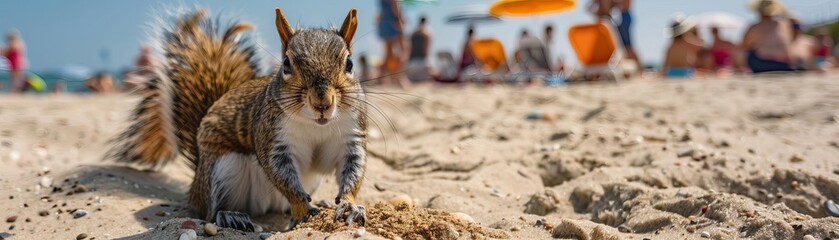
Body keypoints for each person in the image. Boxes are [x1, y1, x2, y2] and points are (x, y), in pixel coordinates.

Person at [741, 0, 794, 73]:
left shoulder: (755, 27)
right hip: (785, 64)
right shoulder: (784, 24)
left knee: (747, 51)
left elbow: (744, 45)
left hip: (762, 64)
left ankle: (745, 70)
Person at [377, 0, 410, 88]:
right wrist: (399, 19)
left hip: (384, 22)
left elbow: (382, 11)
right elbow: (395, 4)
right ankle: (399, 77)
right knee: (405, 50)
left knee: (388, 54)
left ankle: (380, 78)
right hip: (393, 22)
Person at [406, 16, 434, 82]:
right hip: (422, 61)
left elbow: (408, 47)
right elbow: (426, 48)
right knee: (430, 73)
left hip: (411, 62)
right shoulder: (427, 33)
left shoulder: (413, 33)